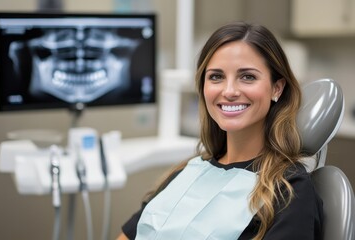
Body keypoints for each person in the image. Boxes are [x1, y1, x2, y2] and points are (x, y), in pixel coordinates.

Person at [117, 21, 323, 240]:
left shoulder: (289, 190)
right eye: (216, 76)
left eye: (247, 77)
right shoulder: (189, 171)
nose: (229, 91)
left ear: (276, 88)